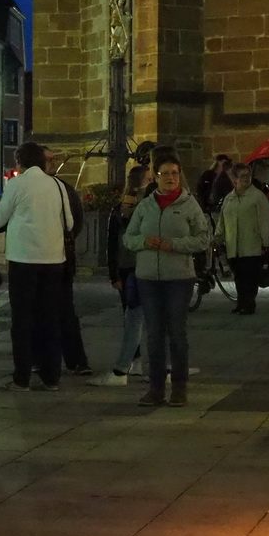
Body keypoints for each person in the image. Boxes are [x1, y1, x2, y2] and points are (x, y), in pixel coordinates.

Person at [122, 156, 210, 406]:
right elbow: (128, 238)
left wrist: (175, 245)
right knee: (154, 335)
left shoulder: (189, 205)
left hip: (179, 279)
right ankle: (156, 388)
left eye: (174, 173)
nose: (170, 178)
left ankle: (179, 388)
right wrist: (143, 242)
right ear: (156, 177)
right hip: (148, 278)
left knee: (177, 333)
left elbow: (203, 239)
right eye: (164, 174)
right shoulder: (146, 206)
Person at [0, 141, 74, 391]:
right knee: (49, 318)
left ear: (20, 162)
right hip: (53, 260)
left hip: (23, 260)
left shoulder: (17, 183)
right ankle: (51, 377)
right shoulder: (58, 186)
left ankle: (22, 377)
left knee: (22, 320)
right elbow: (69, 223)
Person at [94, 164, 149, 385]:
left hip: (137, 265)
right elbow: (112, 242)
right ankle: (134, 361)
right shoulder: (123, 209)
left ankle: (133, 363)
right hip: (129, 267)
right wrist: (113, 274)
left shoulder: (146, 205)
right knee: (132, 315)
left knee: (134, 316)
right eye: (148, 178)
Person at [44, 150, 92, 375]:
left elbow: (76, 221)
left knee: (65, 310)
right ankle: (42, 359)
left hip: (61, 258)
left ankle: (76, 360)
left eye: (54, 159)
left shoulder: (64, 189)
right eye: (48, 159)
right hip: (41, 258)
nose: (53, 163)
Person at [217, 162, 269, 315]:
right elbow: (222, 221)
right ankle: (241, 303)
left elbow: (265, 221)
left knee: (250, 277)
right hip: (233, 246)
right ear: (234, 178)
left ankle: (249, 304)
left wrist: (267, 243)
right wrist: (217, 238)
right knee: (239, 277)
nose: (247, 178)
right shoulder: (229, 199)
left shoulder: (257, 197)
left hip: (251, 245)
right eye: (243, 176)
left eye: (248, 175)